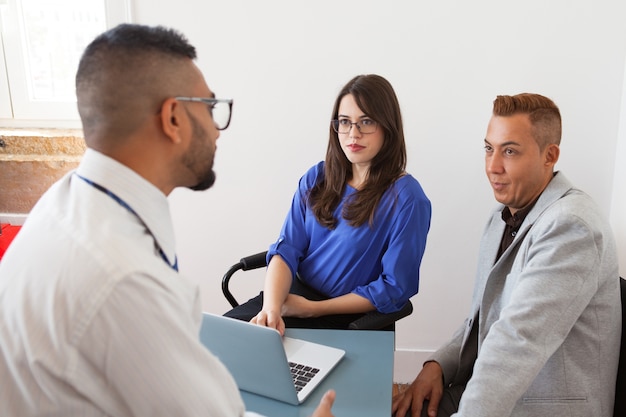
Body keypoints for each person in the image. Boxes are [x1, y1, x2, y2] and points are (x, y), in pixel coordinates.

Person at [0, 23, 335, 417]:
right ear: (173, 118)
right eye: (210, 108)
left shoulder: (62, 206)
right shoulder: (123, 280)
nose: (216, 131)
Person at [392, 93, 621, 417]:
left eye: (509, 151)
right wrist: (438, 365)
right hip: (492, 393)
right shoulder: (502, 217)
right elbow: (482, 318)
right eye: (489, 148)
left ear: (549, 155)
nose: (492, 166)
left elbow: (517, 341)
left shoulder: (572, 227)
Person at [224, 74, 432, 335]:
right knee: (220, 341)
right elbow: (286, 249)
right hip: (293, 298)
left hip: (349, 318)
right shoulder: (317, 177)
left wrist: (312, 309)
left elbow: (394, 288)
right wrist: (271, 308)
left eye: (366, 121)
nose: (353, 133)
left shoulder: (407, 198)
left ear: (387, 126)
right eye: (345, 122)